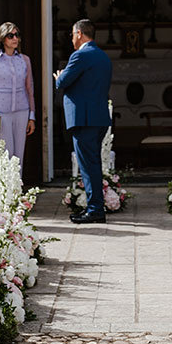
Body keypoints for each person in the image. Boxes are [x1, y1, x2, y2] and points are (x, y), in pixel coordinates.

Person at [54, 19, 112, 225]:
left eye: (72, 34)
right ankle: (96, 207)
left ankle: (95, 209)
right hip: (99, 118)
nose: (71, 38)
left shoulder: (80, 55)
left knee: (88, 166)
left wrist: (59, 76)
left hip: (84, 119)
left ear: (79, 33)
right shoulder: (103, 56)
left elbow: (62, 82)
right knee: (93, 164)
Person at [0, 21, 35, 162]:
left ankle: (17, 184)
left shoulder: (25, 60)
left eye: (17, 35)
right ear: (2, 38)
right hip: (0, 111)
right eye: (10, 35)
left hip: (22, 110)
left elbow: (30, 88)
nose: (15, 39)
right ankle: (6, 184)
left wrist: (32, 116)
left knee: (19, 155)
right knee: (6, 152)